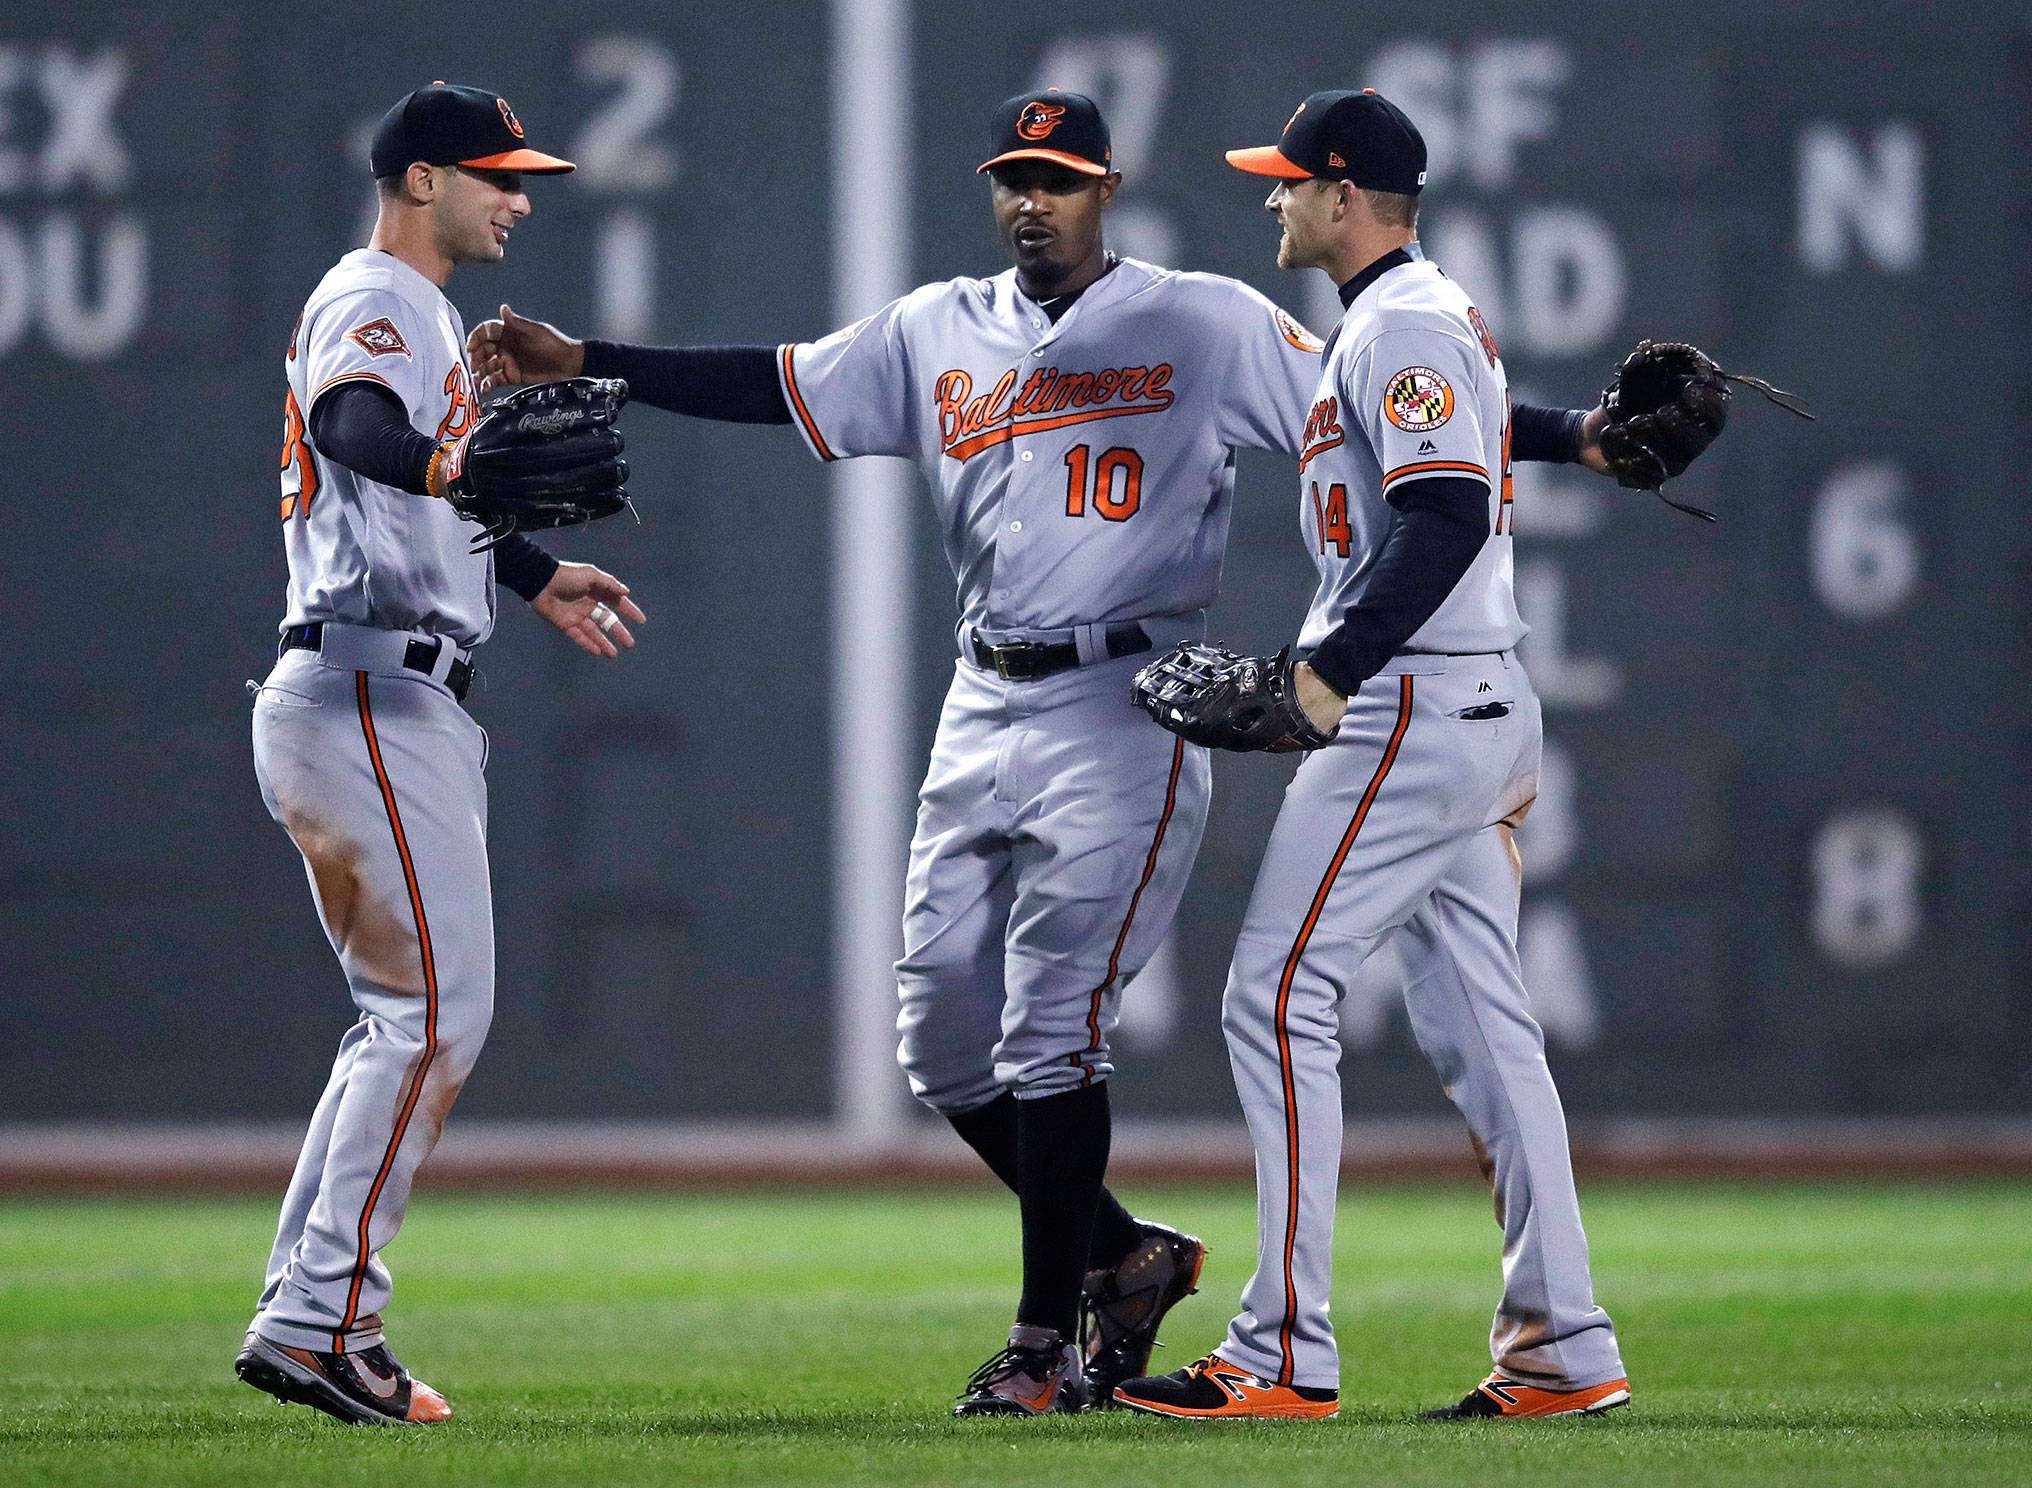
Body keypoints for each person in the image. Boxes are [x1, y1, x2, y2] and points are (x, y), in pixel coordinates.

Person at [470, 89, 1612, 1416]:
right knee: (945, 1043)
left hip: (1139, 699)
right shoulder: (936, 329)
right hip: (989, 695)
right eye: (1013, 174)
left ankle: (1086, 1342)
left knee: (1123, 1017)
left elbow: (1414, 432)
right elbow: (775, 383)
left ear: (1105, 191)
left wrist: (1565, 442)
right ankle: (1178, 1269)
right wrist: (590, 361)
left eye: (1059, 177)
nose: (1032, 198)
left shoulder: (1208, 319)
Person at [1114, 90, 1636, 1422]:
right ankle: (1563, 1345)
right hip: (1466, 707)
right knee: (1486, 1031)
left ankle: (1283, 1350)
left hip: (1410, 702)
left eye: (1289, 183)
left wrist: (1326, 673)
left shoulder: (1401, 323)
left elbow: (1447, 510)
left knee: (1274, 995)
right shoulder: (1411, 318)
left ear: (1347, 196)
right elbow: (1474, 445)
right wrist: (1582, 435)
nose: (1271, 200)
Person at [235, 82, 644, 1427]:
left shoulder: (418, 314)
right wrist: (467, 480)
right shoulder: (385, 294)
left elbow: (396, 486)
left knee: (402, 1027)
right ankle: (320, 1325)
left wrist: (527, 572)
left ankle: (309, 1314)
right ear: (423, 181)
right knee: (431, 1022)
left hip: (372, 688)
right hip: (367, 696)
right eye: (496, 176)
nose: (518, 199)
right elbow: (358, 430)